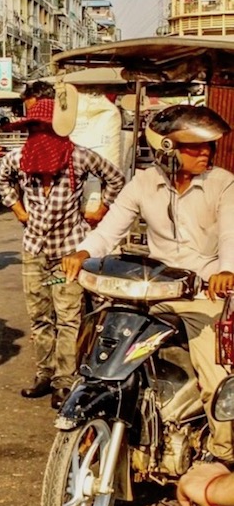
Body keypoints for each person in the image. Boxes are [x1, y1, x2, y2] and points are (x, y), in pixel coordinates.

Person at [62, 104, 234, 461]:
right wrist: (83, 252)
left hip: (202, 294)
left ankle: (223, 455)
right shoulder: (142, 183)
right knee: (100, 345)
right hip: (153, 290)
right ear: (167, 148)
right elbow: (110, 229)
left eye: (209, 146)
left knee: (217, 377)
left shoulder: (224, 184)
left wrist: (226, 271)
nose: (206, 153)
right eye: (195, 146)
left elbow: (232, 235)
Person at [0, 80, 125, 407]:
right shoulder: (19, 159)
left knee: (68, 317)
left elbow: (116, 178)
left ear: (56, 128)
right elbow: (0, 180)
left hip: (68, 255)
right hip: (35, 253)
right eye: (32, 127)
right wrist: (19, 210)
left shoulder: (79, 158)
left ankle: (65, 382)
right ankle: (44, 373)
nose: (37, 133)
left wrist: (101, 209)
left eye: (43, 126)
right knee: (40, 316)